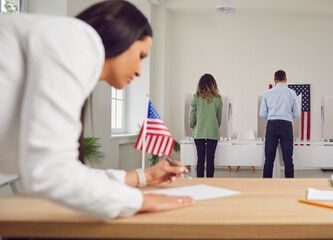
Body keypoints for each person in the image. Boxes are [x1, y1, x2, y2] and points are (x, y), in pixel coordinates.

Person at [0, 0, 194, 220]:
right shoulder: (76, 41)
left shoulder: (70, 45)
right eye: (141, 56)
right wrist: (142, 201)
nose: (140, 71)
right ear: (121, 36)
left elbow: (62, 172)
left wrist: (143, 177)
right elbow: (52, 173)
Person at [259, 70, 300, 178]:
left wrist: (273, 116)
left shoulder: (268, 93)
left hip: (271, 125)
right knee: (288, 160)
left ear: (274, 80)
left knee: (269, 160)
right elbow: (297, 113)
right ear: (286, 80)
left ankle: (266, 185)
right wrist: (287, 116)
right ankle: (289, 186)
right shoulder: (292, 93)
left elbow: (262, 113)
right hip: (286, 126)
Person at [189, 74, 222, 178]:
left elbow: (191, 115)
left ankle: (199, 182)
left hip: (199, 132)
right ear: (214, 84)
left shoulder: (195, 97)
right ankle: (210, 182)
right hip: (213, 132)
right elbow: (219, 118)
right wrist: (215, 127)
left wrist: (192, 126)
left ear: (200, 84)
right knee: (211, 159)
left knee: (200, 159)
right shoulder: (218, 99)